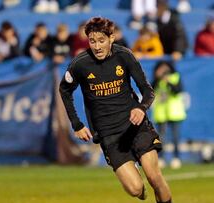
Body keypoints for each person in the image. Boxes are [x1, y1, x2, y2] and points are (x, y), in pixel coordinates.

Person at [59, 17, 172, 203]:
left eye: (101, 40)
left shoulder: (124, 55)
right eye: (92, 41)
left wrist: (142, 109)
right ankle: (137, 186)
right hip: (108, 134)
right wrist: (77, 124)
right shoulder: (80, 63)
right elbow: (64, 89)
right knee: (136, 190)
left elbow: (147, 90)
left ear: (111, 38)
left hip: (136, 127)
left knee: (154, 176)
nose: (97, 46)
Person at [151, 60, 186, 169]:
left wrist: (168, 82)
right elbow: (150, 90)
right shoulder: (156, 80)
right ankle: (161, 158)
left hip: (174, 112)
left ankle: (176, 158)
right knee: (161, 137)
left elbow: (178, 90)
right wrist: (158, 78)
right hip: (161, 113)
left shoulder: (175, 77)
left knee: (175, 137)